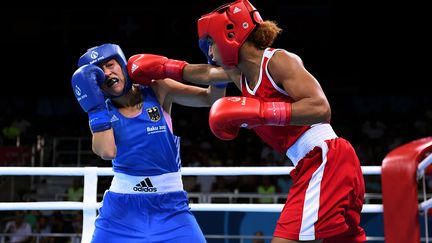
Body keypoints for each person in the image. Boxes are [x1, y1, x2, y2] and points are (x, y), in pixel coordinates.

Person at [129, 0, 366, 242]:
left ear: (229, 35)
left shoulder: (278, 61)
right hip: (313, 162)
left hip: (325, 158)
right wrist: (163, 67)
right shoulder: (239, 74)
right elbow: (204, 73)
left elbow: (320, 108)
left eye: (211, 43)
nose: (209, 52)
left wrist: (262, 111)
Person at [71, 43, 226, 242]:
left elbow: (209, 98)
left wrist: (219, 63)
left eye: (110, 65)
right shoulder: (101, 112)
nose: (107, 74)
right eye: (98, 72)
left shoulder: (158, 89)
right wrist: (95, 109)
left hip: (171, 207)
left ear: (122, 64)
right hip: (121, 211)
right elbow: (107, 152)